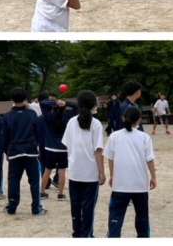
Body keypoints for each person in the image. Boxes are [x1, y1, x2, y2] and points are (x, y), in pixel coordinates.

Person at [105, 107, 157, 237]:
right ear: (139, 120)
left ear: (123, 118)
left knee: (115, 218)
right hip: (140, 184)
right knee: (142, 217)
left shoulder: (114, 136)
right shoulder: (144, 137)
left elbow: (110, 158)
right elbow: (150, 159)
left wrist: (112, 175)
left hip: (120, 184)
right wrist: (153, 177)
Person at [62, 90, 105, 238]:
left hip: (75, 171)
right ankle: (86, 235)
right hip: (91, 174)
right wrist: (102, 172)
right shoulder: (96, 124)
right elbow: (98, 151)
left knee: (75, 206)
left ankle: (77, 233)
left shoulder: (71, 122)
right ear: (93, 105)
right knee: (88, 208)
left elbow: (67, 145)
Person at [3, 88, 46, 215]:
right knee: (34, 181)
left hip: (14, 151)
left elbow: (5, 137)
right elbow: (38, 133)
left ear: (12, 99)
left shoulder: (7, 116)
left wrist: (7, 152)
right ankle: (36, 208)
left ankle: (12, 207)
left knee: (13, 180)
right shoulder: (32, 114)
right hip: (30, 151)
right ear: (26, 99)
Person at [40, 99, 77, 200]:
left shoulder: (48, 116)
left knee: (47, 170)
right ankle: (60, 194)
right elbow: (76, 106)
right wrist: (66, 103)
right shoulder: (68, 116)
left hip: (50, 147)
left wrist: (56, 102)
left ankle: (42, 192)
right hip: (63, 148)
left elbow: (43, 103)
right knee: (62, 171)